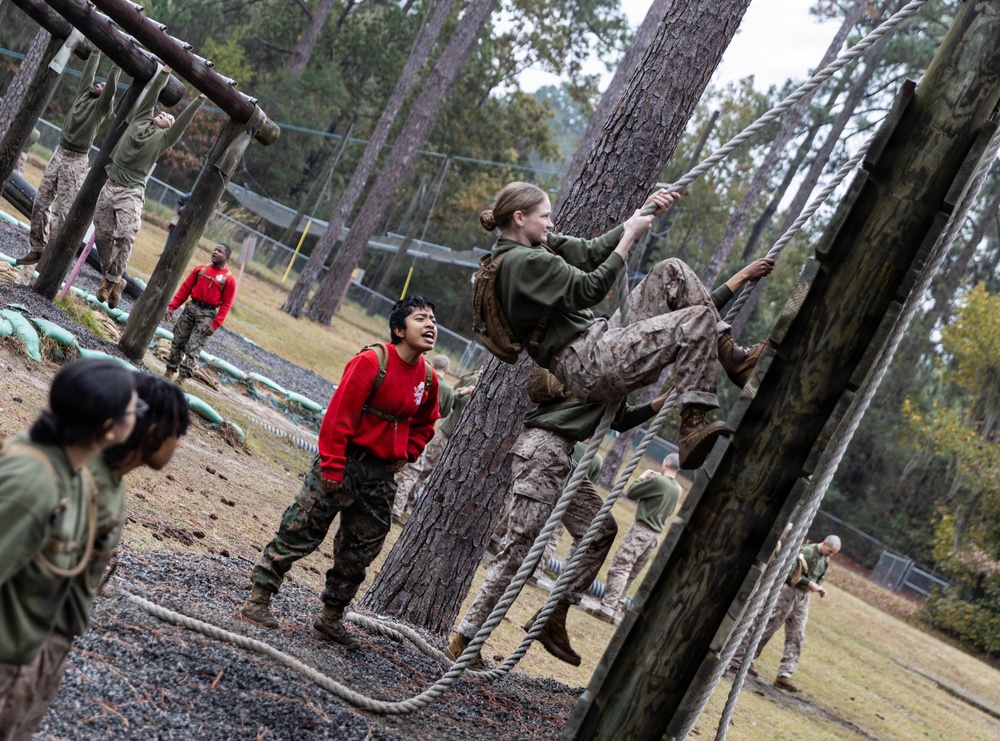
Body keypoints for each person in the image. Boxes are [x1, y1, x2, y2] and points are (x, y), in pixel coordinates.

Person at [481, 182, 771, 469]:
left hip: (598, 340)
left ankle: (734, 359)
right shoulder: (522, 262)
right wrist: (629, 237)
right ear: (520, 218)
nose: (550, 222)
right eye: (544, 216)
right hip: (588, 362)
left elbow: (590, 252)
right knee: (697, 320)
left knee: (673, 272)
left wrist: (636, 217)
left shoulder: (532, 246)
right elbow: (589, 289)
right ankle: (692, 426)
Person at [242, 297, 440, 649]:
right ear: (398, 329)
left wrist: (408, 452)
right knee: (299, 530)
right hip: (342, 463)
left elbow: (426, 423)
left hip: (380, 476)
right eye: (420, 319)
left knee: (360, 551)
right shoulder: (371, 362)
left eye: (433, 320)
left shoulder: (427, 377)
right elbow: (338, 416)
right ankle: (258, 599)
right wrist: (333, 465)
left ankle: (330, 618)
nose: (430, 326)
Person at [445, 369, 672, 669]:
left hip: (562, 456)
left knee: (600, 529)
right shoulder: (600, 361)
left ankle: (554, 613)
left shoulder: (616, 378)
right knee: (518, 552)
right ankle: (464, 639)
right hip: (543, 449)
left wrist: (664, 401)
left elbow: (620, 417)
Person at [0, 359, 138, 740]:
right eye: (132, 410)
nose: (138, 417)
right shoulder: (34, 484)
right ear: (109, 429)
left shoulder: (74, 472)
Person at [44, 375, 189, 730]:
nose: (178, 446)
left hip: (51, 641)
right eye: (178, 434)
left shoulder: (112, 482)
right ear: (153, 430)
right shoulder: (80, 479)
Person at [94, 64, 206, 308]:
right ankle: (115, 281)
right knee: (102, 235)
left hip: (130, 192)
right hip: (109, 185)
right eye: (163, 113)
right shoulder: (142, 117)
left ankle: (109, 281)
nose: (163, 115)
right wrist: (164, 73)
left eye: (168, 117)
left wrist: (200, 99)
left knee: (125, 235)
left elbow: (182, 123)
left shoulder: (164, 139)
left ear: (169, 127)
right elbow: (152, 95)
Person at [20, 53, 120, 266]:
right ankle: (37, 248)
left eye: (101, 85)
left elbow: (110, 88)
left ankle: (54, 258)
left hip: (75, 161)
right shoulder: (84, 95)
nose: (97, 84)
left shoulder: (101, 108)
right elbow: (88, 73)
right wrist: (96, 51)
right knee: (40, 203)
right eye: (97, 82)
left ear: (105, 97)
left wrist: (118, 65)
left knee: (65, 213)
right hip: (59, 153)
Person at [729, 534, 841, 692]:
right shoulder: (808, 552)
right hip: (789, 593)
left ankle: (784, 675)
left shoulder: (825, 559)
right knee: (766, 627)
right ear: (823, 543)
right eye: (830, 551)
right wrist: (810, 584)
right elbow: (790, 574)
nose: (831, 555)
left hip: (803, 598)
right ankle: (739, 660)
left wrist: (819, 586)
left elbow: (820, 577)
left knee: (797, 635)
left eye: (833, 553)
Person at [594, 453, 682, 625]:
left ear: (665, 463)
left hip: (641, 530)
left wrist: (643, 476)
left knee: (621, 567)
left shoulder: (659, 482)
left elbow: (632, 493)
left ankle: (607, 607)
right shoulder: (677, 489)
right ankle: (617, 608)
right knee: (631, 573)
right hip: (655, 536)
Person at [391, 358, 478, 522]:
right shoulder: (453, 385)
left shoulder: (427, 378)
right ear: (447, 369)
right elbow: (446, 409)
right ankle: (399, 507)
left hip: (413, 429)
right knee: (417, 470)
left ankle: (404, 504)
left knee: (417, 470)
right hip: (436, 433)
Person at [164, 243, 237, 384]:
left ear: (226, 257)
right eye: (215, 249)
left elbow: (226, 305)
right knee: (178, 341)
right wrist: (172, 307)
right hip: (191, 308)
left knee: (193, 348)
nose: (215, 252)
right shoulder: (200, 269)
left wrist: (215, 324)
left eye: (220, 251)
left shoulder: (229, 280)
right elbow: (185, 289)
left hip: (207, 314)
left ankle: (180, 380)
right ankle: (169, 373)